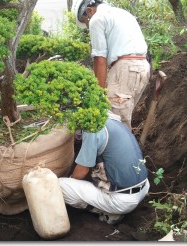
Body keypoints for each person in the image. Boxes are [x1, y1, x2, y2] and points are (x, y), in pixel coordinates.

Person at [71, 0, 150, 129]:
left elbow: (100, 59)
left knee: (116, 124)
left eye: (86, 21)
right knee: (123, 117)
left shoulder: (97, 19)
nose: (88, 24)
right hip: (143, 67)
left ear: (89, 11)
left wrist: (98, 95)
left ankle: (123, 149)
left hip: (126, 68)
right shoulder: (123, 13)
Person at [59, 112, 149, 224]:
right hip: (144, 188)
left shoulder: (93, 130)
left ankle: (107, 213)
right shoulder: (116, 122)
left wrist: (71, 182)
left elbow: (81, 172)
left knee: (60, 186)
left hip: (123, 200)